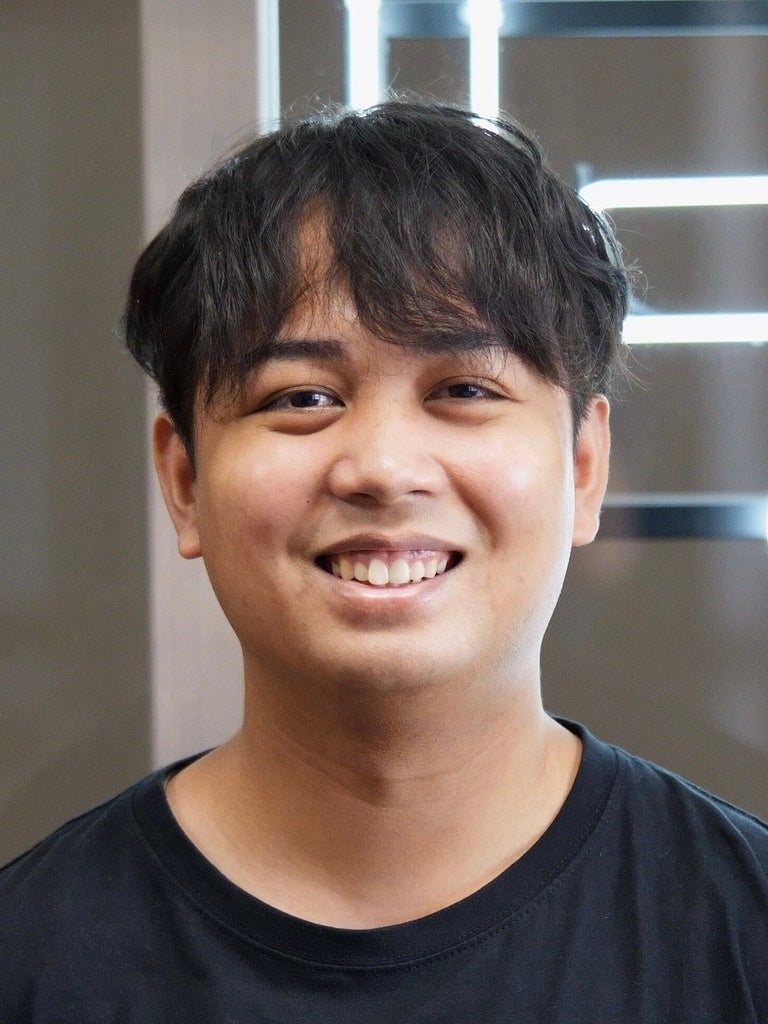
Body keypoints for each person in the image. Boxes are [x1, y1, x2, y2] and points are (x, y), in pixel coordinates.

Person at [1, 101, 766, 1022]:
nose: (383, 467)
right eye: (302, 397)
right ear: (185, 481)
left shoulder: (741, 934)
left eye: (465, 388)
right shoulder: (32, 959)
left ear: (582, 466)